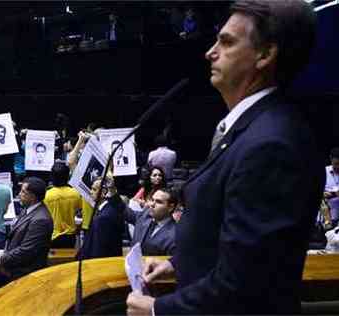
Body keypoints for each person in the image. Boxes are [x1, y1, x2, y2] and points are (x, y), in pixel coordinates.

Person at [127, 1, 323, 314]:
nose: (210, 52)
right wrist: (179, 262)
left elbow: (246, 284)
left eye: (227, 42)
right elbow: (229, 233)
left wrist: (158, 310)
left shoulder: (271, 145)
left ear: (265, 54)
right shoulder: (250, 129)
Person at [0, 177, 53, 280]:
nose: (19, 194)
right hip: (15, 268)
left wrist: (2, 259)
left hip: (26, 274)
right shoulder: (28, 209)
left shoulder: (41, 220)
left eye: (23, 192)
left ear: (32, 197)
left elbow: (26, 251)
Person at [80, 175, 125, 259]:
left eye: (94, 189)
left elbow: (98, 249)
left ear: (103, 192)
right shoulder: (107, 209)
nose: (90, 192)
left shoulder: (103, 218)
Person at [125, 188, 177, 256]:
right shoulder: (145, 216)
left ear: (170, 207)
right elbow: (124, 211)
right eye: (152, 200)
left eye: (158, 202)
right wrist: (113, 192)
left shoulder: (175, 235)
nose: (152, 204)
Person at [44, 162, 82, 248]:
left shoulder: (47, 195)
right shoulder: (75, 193)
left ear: (52, 177)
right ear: (68, 176)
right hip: (70, 235)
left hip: (52, 235)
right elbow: (79, 211)